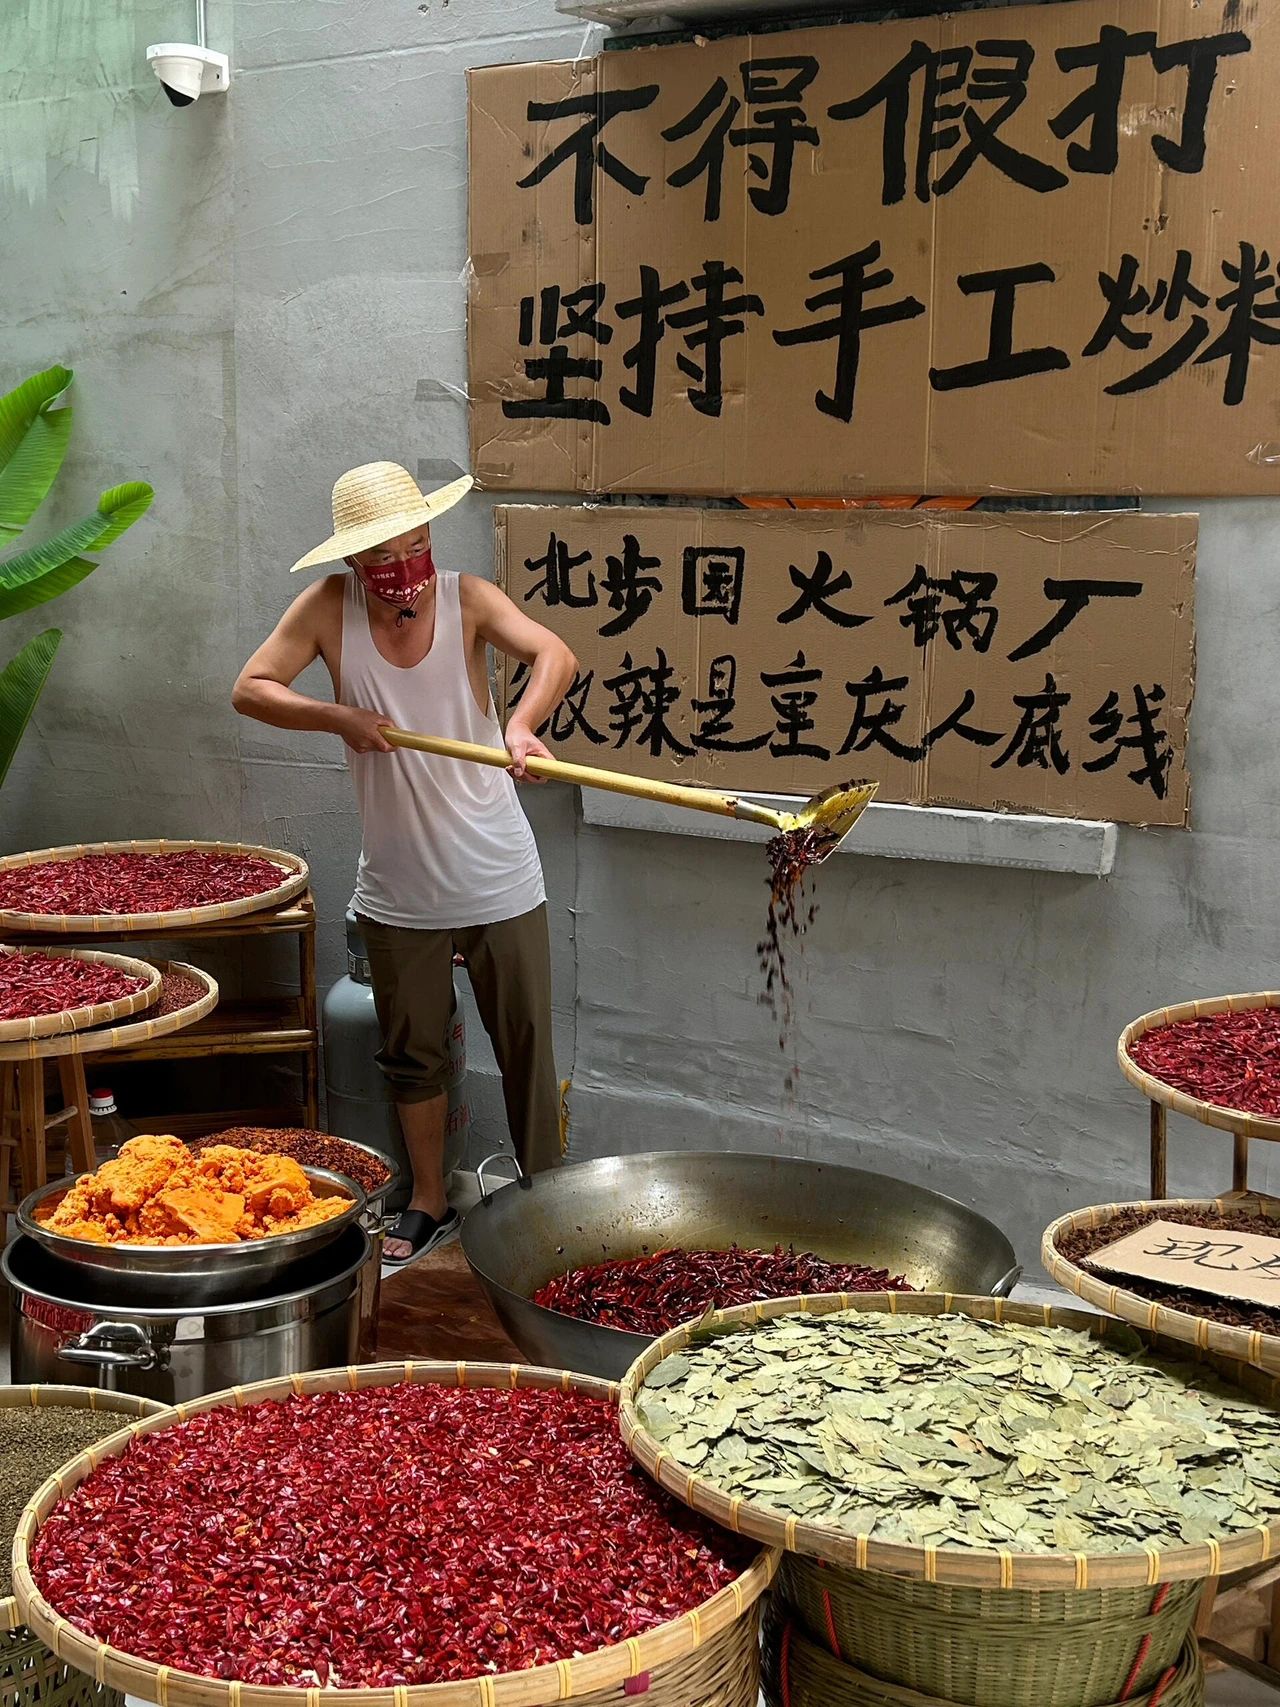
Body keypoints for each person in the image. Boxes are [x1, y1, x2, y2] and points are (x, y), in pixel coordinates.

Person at [232, 462, 576, 1262]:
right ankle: (428, 1200)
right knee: (411, 1053)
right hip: (397, 886)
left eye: (418, 544)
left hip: (497, 872)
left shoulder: (466, 597)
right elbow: (250, 688)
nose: (407, 567)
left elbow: (554, 654)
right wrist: (337, 715)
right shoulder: (327, 609)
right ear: (354, 560)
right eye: (386, 555)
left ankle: (554, 1207)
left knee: (526, 1041)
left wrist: (521, 726)